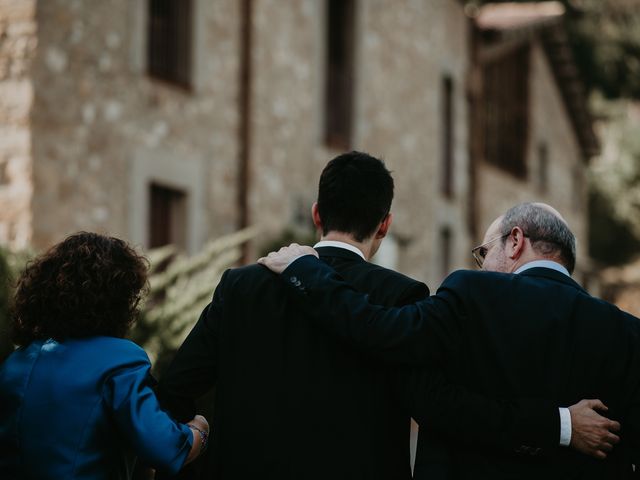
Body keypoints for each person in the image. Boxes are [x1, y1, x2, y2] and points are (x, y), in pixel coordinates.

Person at [160, 154, 614, 480]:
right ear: (385, 225)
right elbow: (440, 407)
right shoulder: (401, 296)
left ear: (317, 214)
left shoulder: (240, 287)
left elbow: (176, 388)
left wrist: (198, 440)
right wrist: (559, 425)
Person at [258, 202, 639, 479]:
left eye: (484, 252)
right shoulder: (627, 332)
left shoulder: (473, 294)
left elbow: (386, 334)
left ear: (516, 241)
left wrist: (306, 271)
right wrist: (563, 425)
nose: (482, 265)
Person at [0, 232, 209, 480]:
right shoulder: (120, 360)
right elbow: (166, 448)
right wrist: (200, 430)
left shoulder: (16, 362)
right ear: (118, 301)